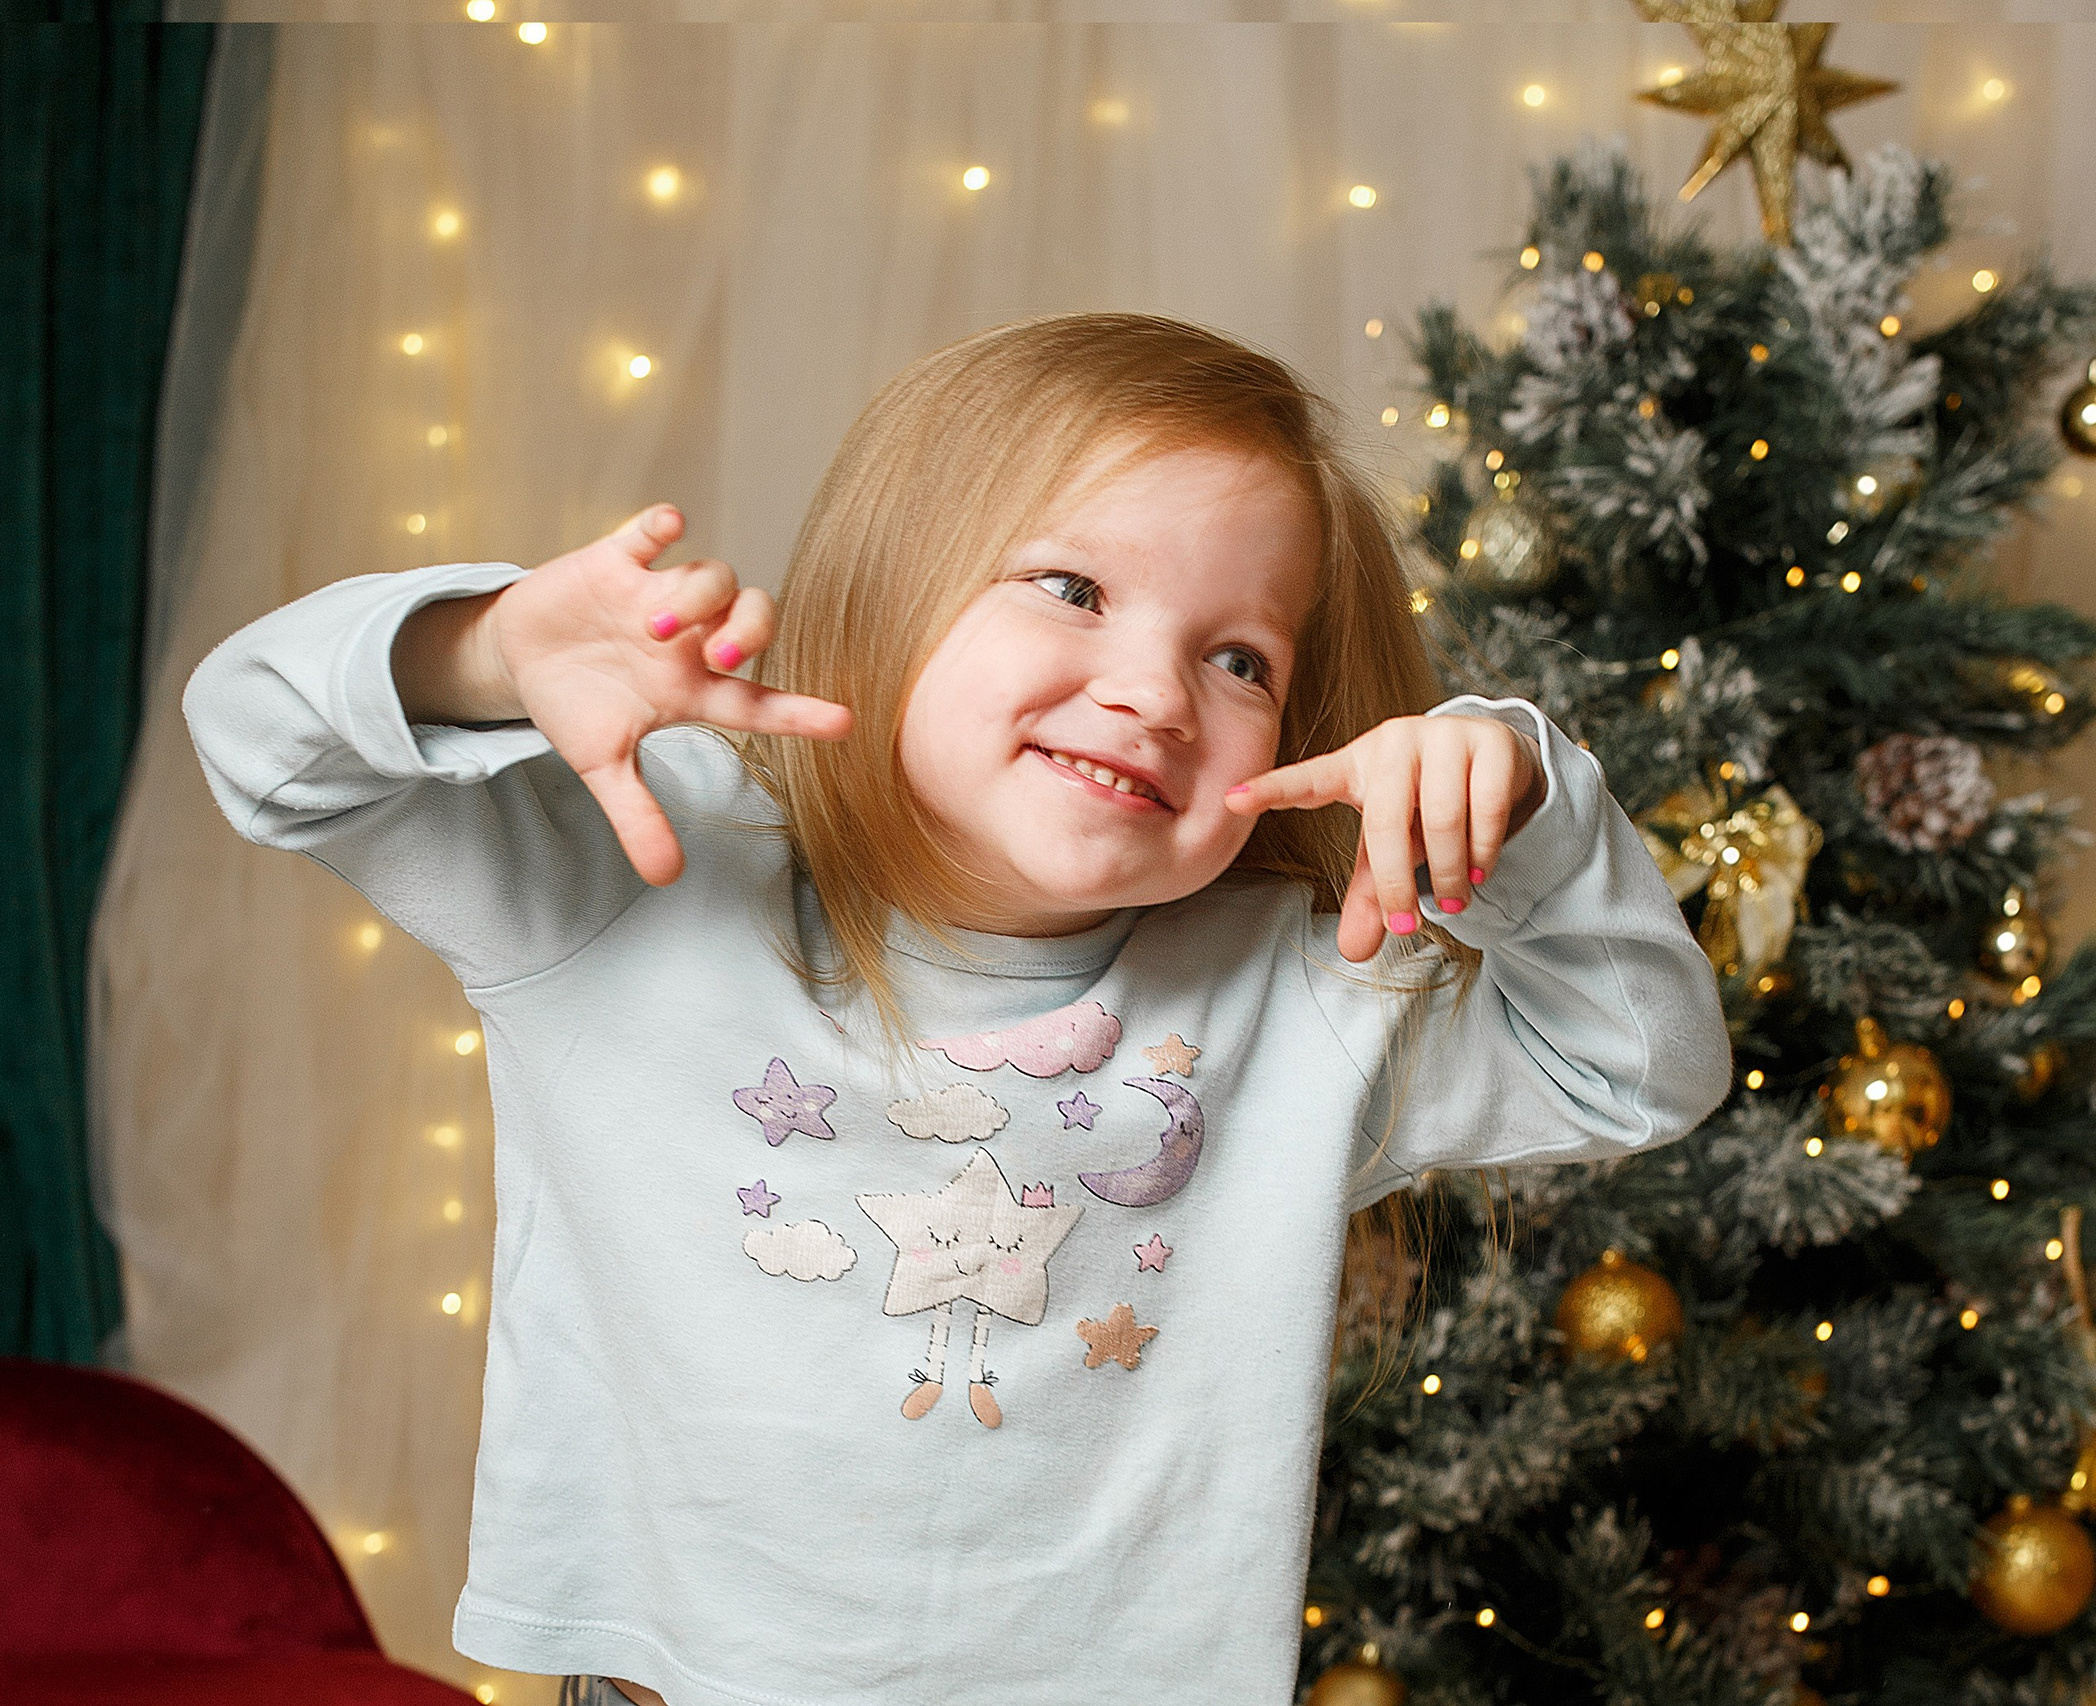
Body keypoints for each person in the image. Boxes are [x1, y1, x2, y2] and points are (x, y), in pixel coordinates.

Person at [183, 313, 1731, 1706]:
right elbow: (259, 735)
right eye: (1072, 587)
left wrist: (1520, 793)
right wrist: (491, 649)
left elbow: (1640, 1068)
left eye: (1239, 657)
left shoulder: (1296, 991)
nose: (1152, 690)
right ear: (891, 585)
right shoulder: (642, 867)